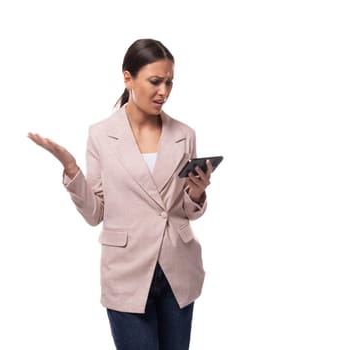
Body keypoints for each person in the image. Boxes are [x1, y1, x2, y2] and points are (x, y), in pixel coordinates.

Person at [28, 38, 214, 350]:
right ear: (127, 77)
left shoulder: (185, 134)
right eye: (155, 81)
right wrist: (72, 170)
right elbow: (95, 213)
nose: (164, 92)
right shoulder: (100, 135)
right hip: (126, 270)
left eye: (169, 82)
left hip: (178, 269)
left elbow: (184, 209)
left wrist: (196, 194)